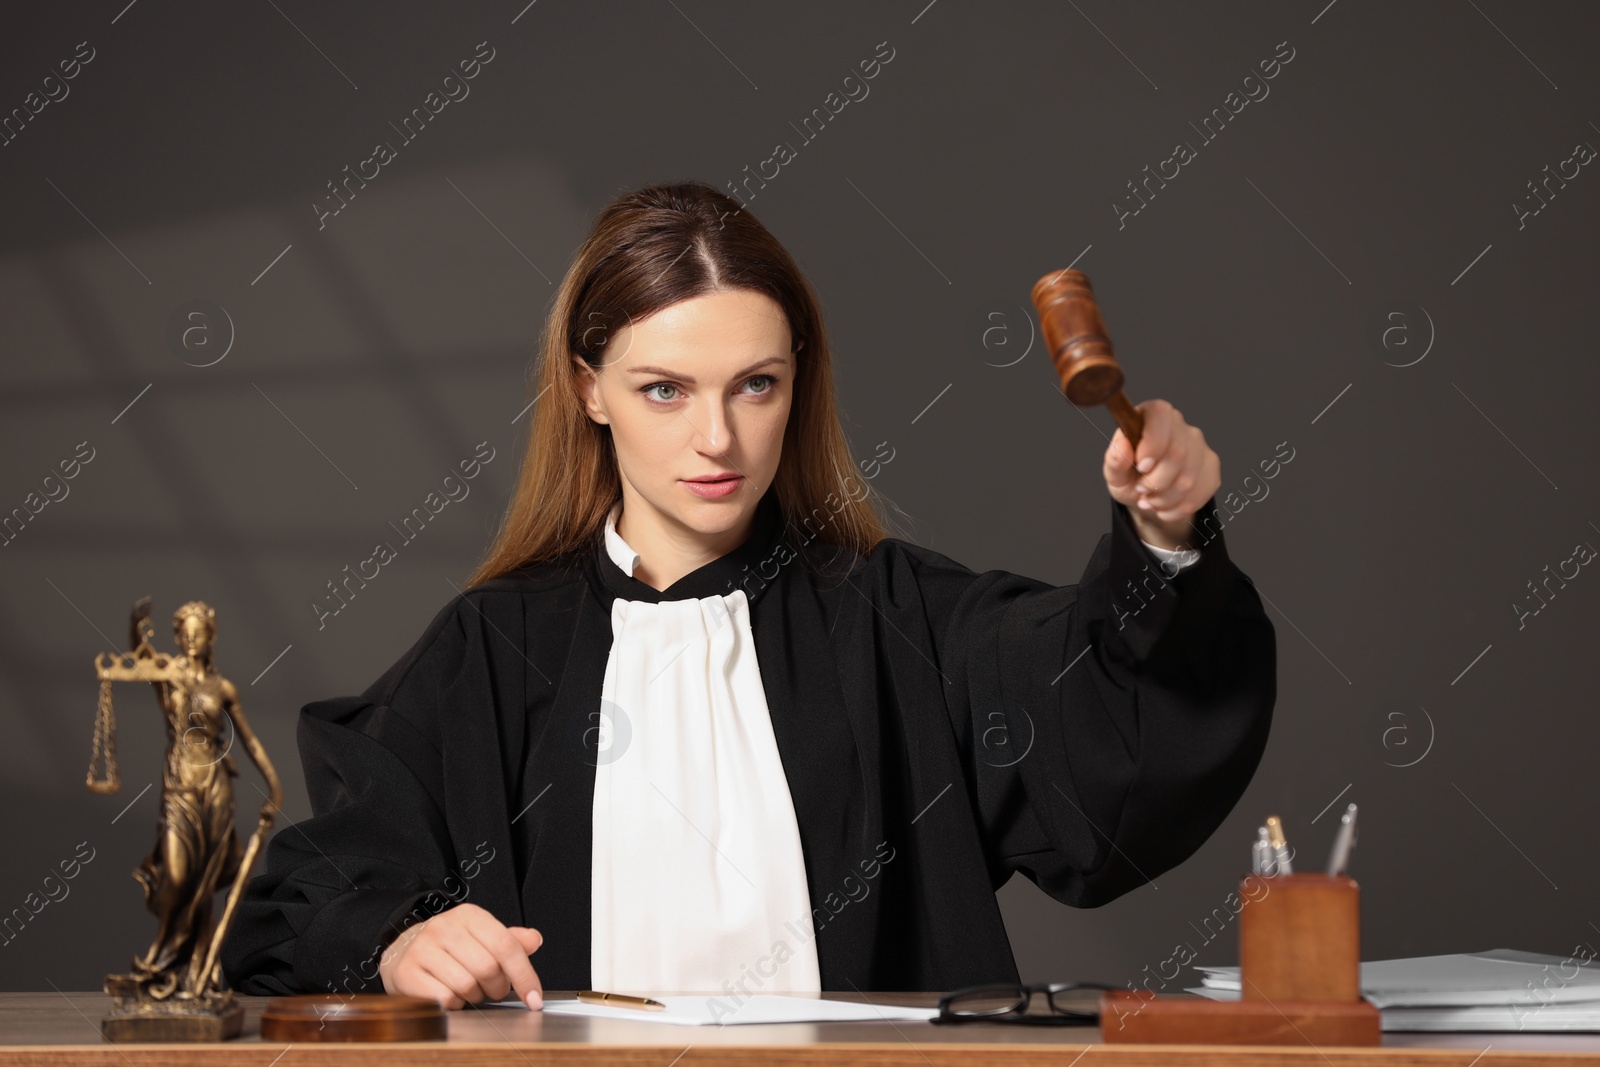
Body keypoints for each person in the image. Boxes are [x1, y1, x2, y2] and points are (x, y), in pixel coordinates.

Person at [222, 181, 1275, 1010]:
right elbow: (299, 904)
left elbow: (1109, 742)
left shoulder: (899, 621)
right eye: (663, 388)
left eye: (754, 384)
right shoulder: (495, 649)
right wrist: (401, 938)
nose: (715, 439)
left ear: (797, 382)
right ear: (589, 388)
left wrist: (1160, 537)